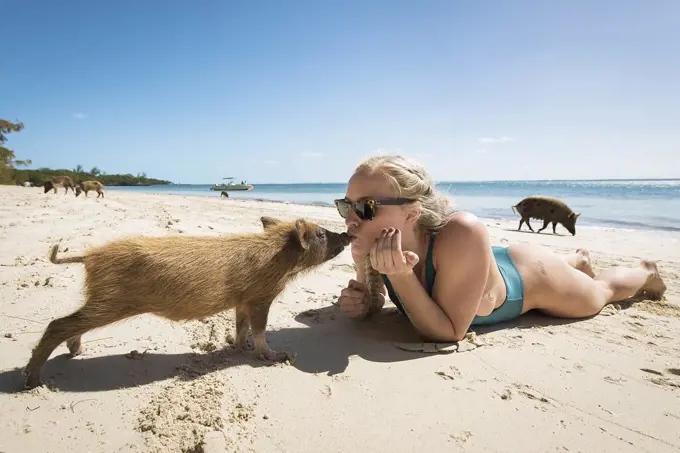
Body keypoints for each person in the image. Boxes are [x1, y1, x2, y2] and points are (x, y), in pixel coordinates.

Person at [335, 155, 667, 342]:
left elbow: (450, 332)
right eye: (345, 205)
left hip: (530, 279)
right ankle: (575, 258)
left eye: (364, 206)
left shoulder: (462, 230)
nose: (351, 218)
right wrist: (364, 303)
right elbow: (376, 295)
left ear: (412, 212)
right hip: (479, 265)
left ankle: (646, 272)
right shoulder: (368, 246)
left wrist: (404, 277)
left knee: (600, 292)